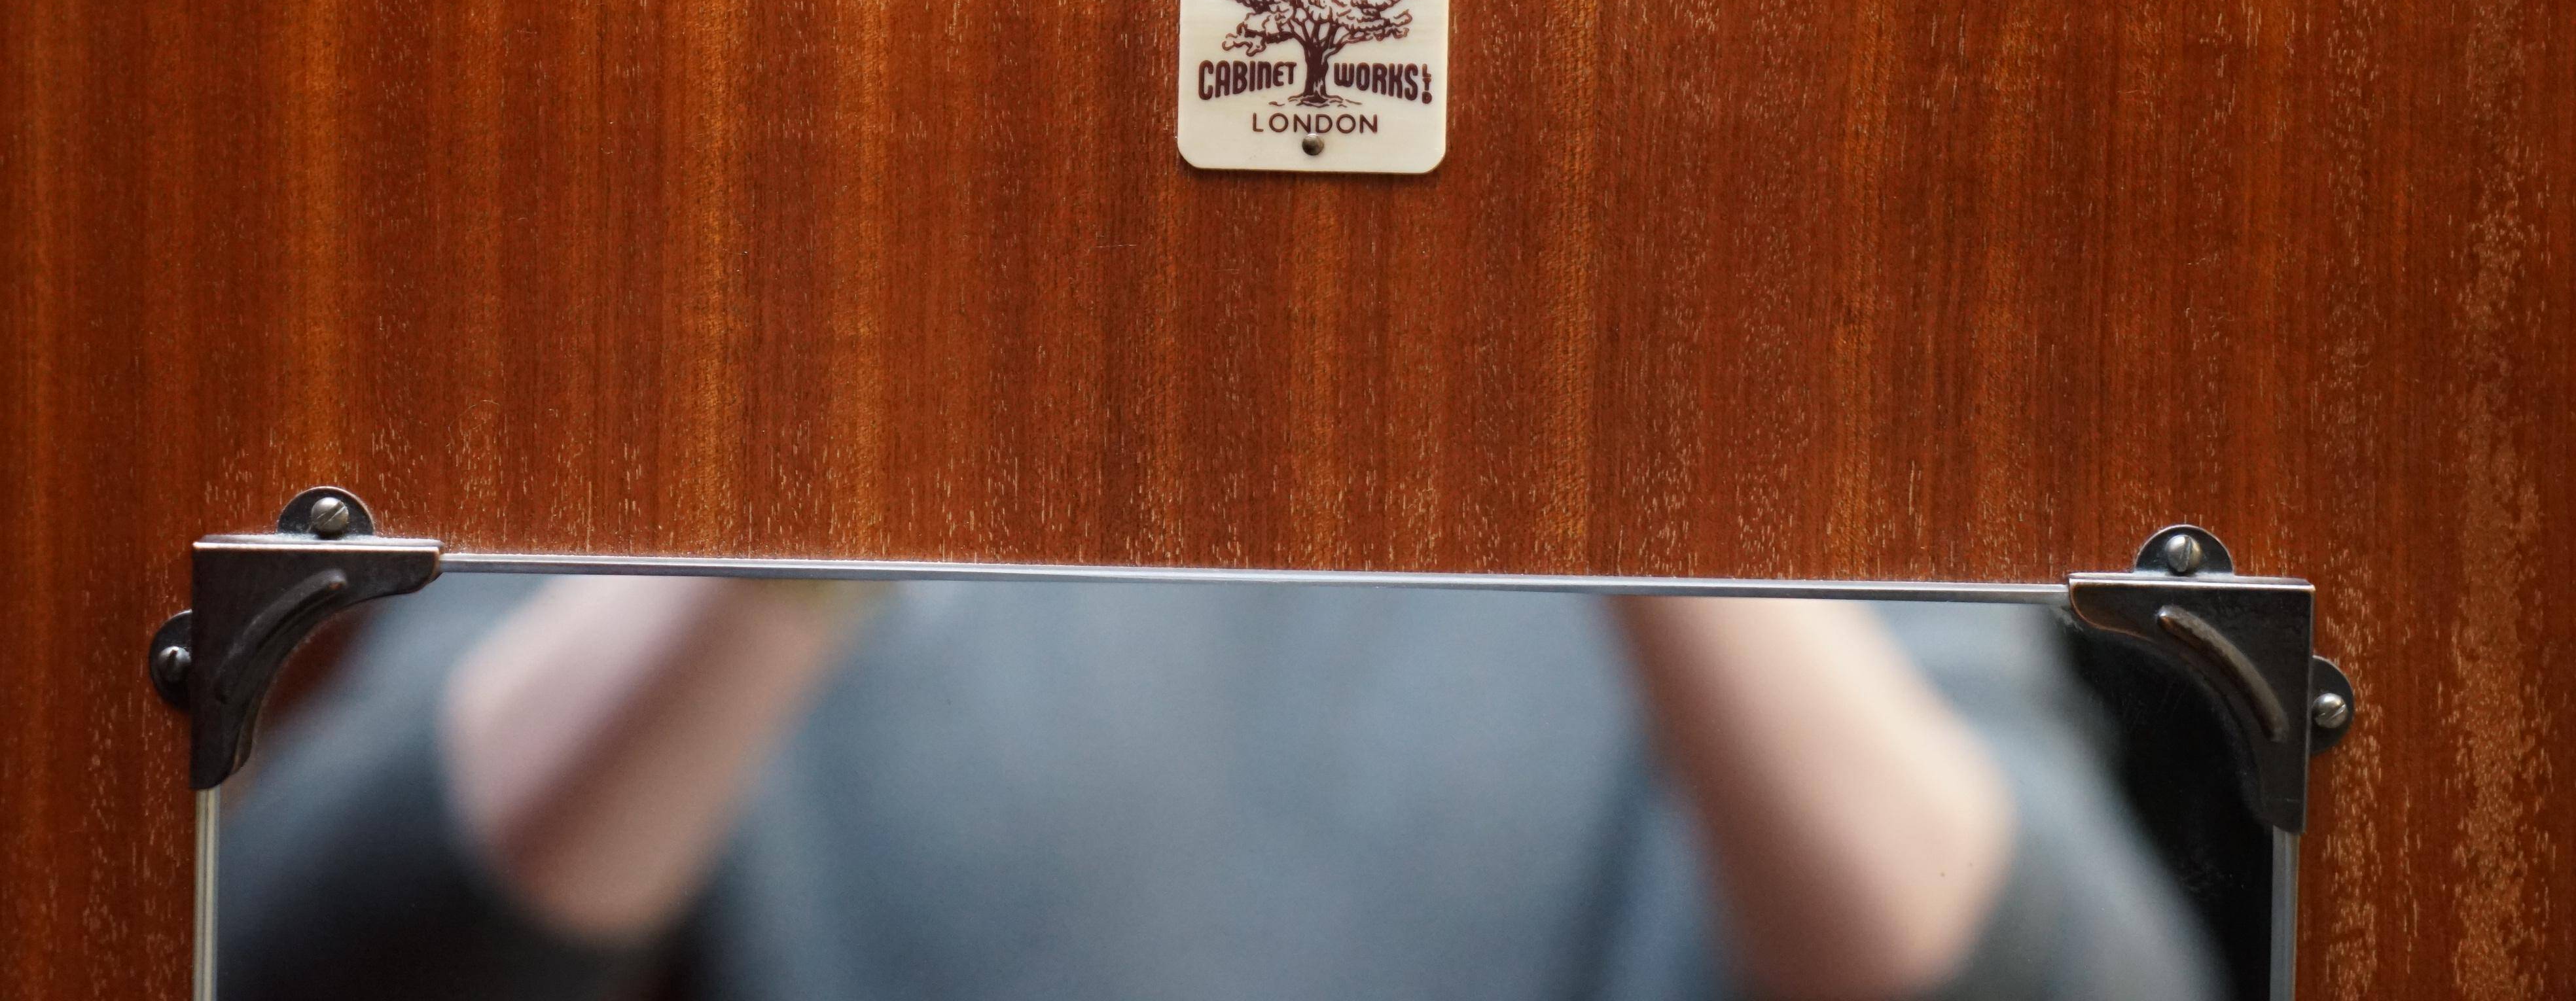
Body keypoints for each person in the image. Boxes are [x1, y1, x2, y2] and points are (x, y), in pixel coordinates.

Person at [220, 574, 2221, 1001]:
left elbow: (2089, 978)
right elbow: (296, 950)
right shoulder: (756, 279)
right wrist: (811, 494)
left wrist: (1620, 428)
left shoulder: (1805, 351)